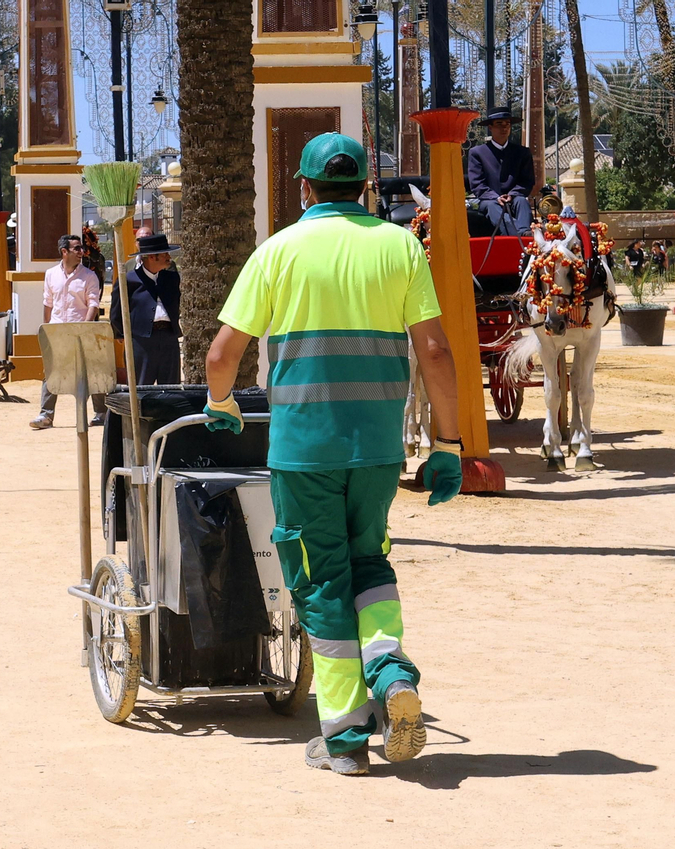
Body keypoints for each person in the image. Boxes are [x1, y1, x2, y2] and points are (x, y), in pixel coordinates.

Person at [201, 133, 463, 776]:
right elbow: (434, 352)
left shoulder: (278, 251)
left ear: (305, 188)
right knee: (368, 558)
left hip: (305, 452)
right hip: (376, 450)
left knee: (321, 582)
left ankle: (345, 738)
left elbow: (221, 356)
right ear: (366, 187)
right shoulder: (400, 244)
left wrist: (221, 404)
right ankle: (391, 672)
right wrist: (448, 446)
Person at [29, 234, 104, 430]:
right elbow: (48, 303)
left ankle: (101, 413)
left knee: (92, 372)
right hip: (57, 331)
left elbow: (93, 303)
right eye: (77, 248)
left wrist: (85, 328)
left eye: (82, 248)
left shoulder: (89, 276)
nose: (82, 252)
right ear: (64, 252)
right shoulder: (51, 274)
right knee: (51, 372)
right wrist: (46, 329)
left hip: (81, 331)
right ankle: (46, 415)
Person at [113, 232, 182, 385]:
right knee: (141, 386)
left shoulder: (172, 278)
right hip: (141, 342)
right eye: (164, 254)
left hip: (169, 338)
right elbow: (117, 310)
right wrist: (121, 333)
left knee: (171, 387)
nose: (168, 257)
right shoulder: (129, 280)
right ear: (151, 257)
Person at [466, 106, 535, 236]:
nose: (504, 128)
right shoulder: (477, 153)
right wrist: (495, 197)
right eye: (499, 124)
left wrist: (513, 194)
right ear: (490, 127)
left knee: (521, 201)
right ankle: (519, 236)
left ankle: (526, 233)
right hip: (489, 200)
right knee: (492, 207)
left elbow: (527, 181)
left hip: (515, 198)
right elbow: (477, 184)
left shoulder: (522, 152)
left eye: (507, 124)